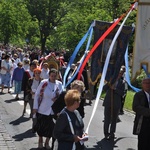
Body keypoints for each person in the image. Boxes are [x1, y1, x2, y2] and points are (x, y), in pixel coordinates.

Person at [33, 68, 62, 149]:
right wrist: (35, 107)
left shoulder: (59, 84)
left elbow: (62, 96)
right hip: (43, 108)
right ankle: (40, 140)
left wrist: (57, 99)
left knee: (51, 128)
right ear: (49, 75)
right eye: (52, 75)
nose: (53, 77)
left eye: (54, 76)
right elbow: (37, 95)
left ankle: (47, 142)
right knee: (41, 127)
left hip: (53, 110)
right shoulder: (44, 83)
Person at [103, 70, 125, 140]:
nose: (119, 74)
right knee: (107, 118)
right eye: (118, 73)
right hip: (108, 102)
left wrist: (115, 89)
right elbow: (104, 88)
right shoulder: (110, 80)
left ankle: (112, 133)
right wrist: (109, 84)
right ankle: (106, 133)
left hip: (116, 103)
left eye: (121, 73)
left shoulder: (122, 83)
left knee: (114, 119)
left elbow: (122, 93)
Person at [132, 78, 150, 150]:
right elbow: (135, 107)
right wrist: (148, 112)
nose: (147, 85)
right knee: (142, 142)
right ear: (142, 85)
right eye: (145, 83)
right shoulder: (138, 95)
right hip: (142, 122)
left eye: (148, 83)